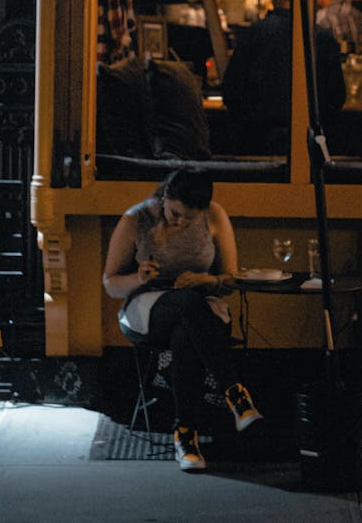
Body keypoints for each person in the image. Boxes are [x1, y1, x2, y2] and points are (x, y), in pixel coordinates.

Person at [102, 168, 262, 472]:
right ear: (165, 197)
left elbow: (230, 280)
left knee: (185, 333)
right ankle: (235, 394)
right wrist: (139, 276)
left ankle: (186, 437)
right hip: (147, 306)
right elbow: (110, 284)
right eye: (176, 213)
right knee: (187, 308)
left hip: (200, 306)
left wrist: (205, 279)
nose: (180, 222)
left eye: (189, 218)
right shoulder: (136, 219)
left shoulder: (215, 216)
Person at [221, 0, 346, 150]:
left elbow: (231, 91)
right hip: (311, 144)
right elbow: (336, 97)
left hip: (256, 139)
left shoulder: (254, 33)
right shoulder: (321, 37)